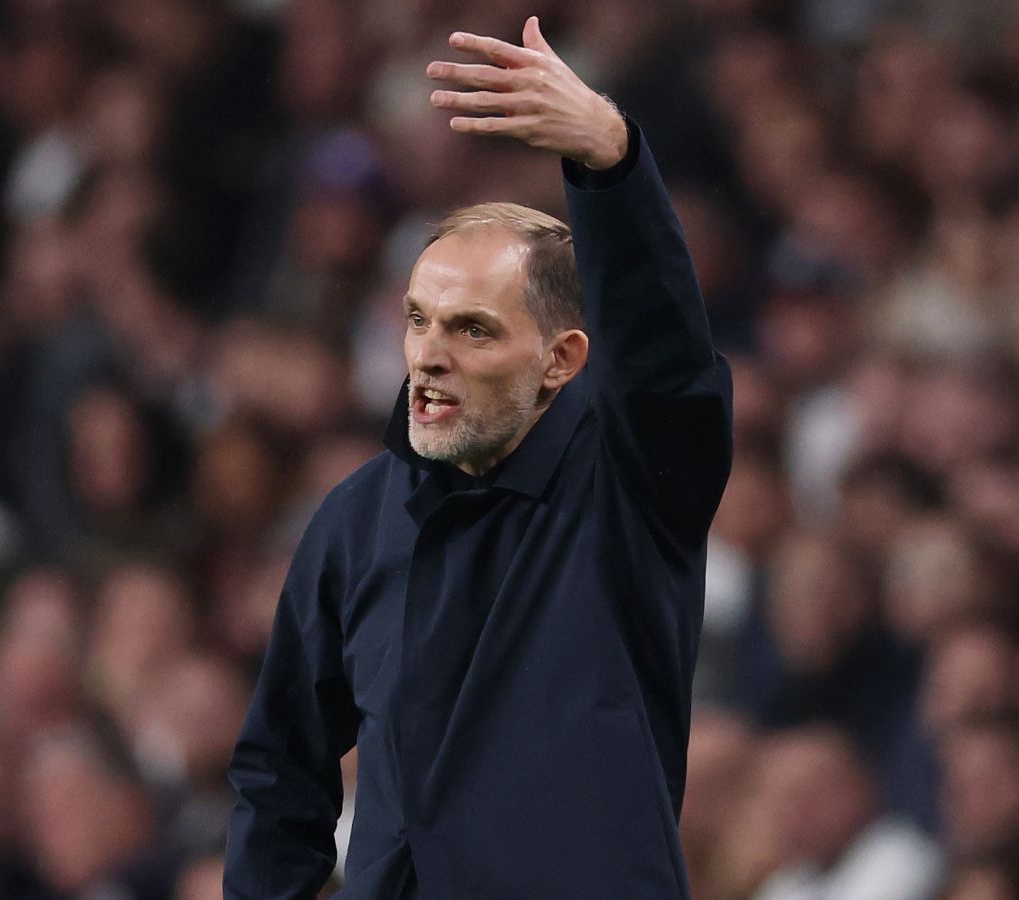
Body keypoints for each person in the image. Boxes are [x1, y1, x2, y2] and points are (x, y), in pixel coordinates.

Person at [223, 16, 732, 898]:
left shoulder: (629, 490)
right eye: (418, 319)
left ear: (561, 361)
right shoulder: (356, 519)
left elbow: (667, 366)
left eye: (473, 330)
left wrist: (612, 165)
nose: (427, 355)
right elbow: (278, 770)